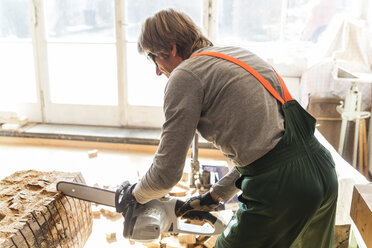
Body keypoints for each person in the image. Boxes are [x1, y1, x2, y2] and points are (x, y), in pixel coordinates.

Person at [120, 8, 338, 248]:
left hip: (282, 187)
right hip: (323, 171)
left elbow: (166, 174)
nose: (157, 70)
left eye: (153, 57)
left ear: (171, 48)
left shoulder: (184, 75)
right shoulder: (235, 55)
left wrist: (134, 195)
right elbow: (271, 153)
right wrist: (214, 196)